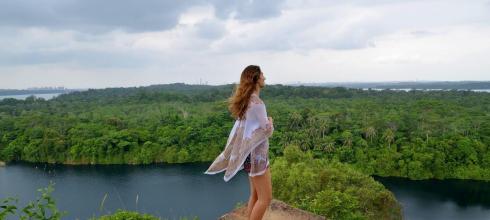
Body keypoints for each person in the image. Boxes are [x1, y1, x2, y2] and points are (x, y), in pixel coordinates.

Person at [204, 65, 274, 220]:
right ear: (255, 78)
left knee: (255, 196)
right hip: (257, 156)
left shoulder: (247, 101)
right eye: (262, 74)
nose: (265, 77)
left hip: (248, 155)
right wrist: (270, 121)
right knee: (265, 198)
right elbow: (267, 130)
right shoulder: (257, 103)